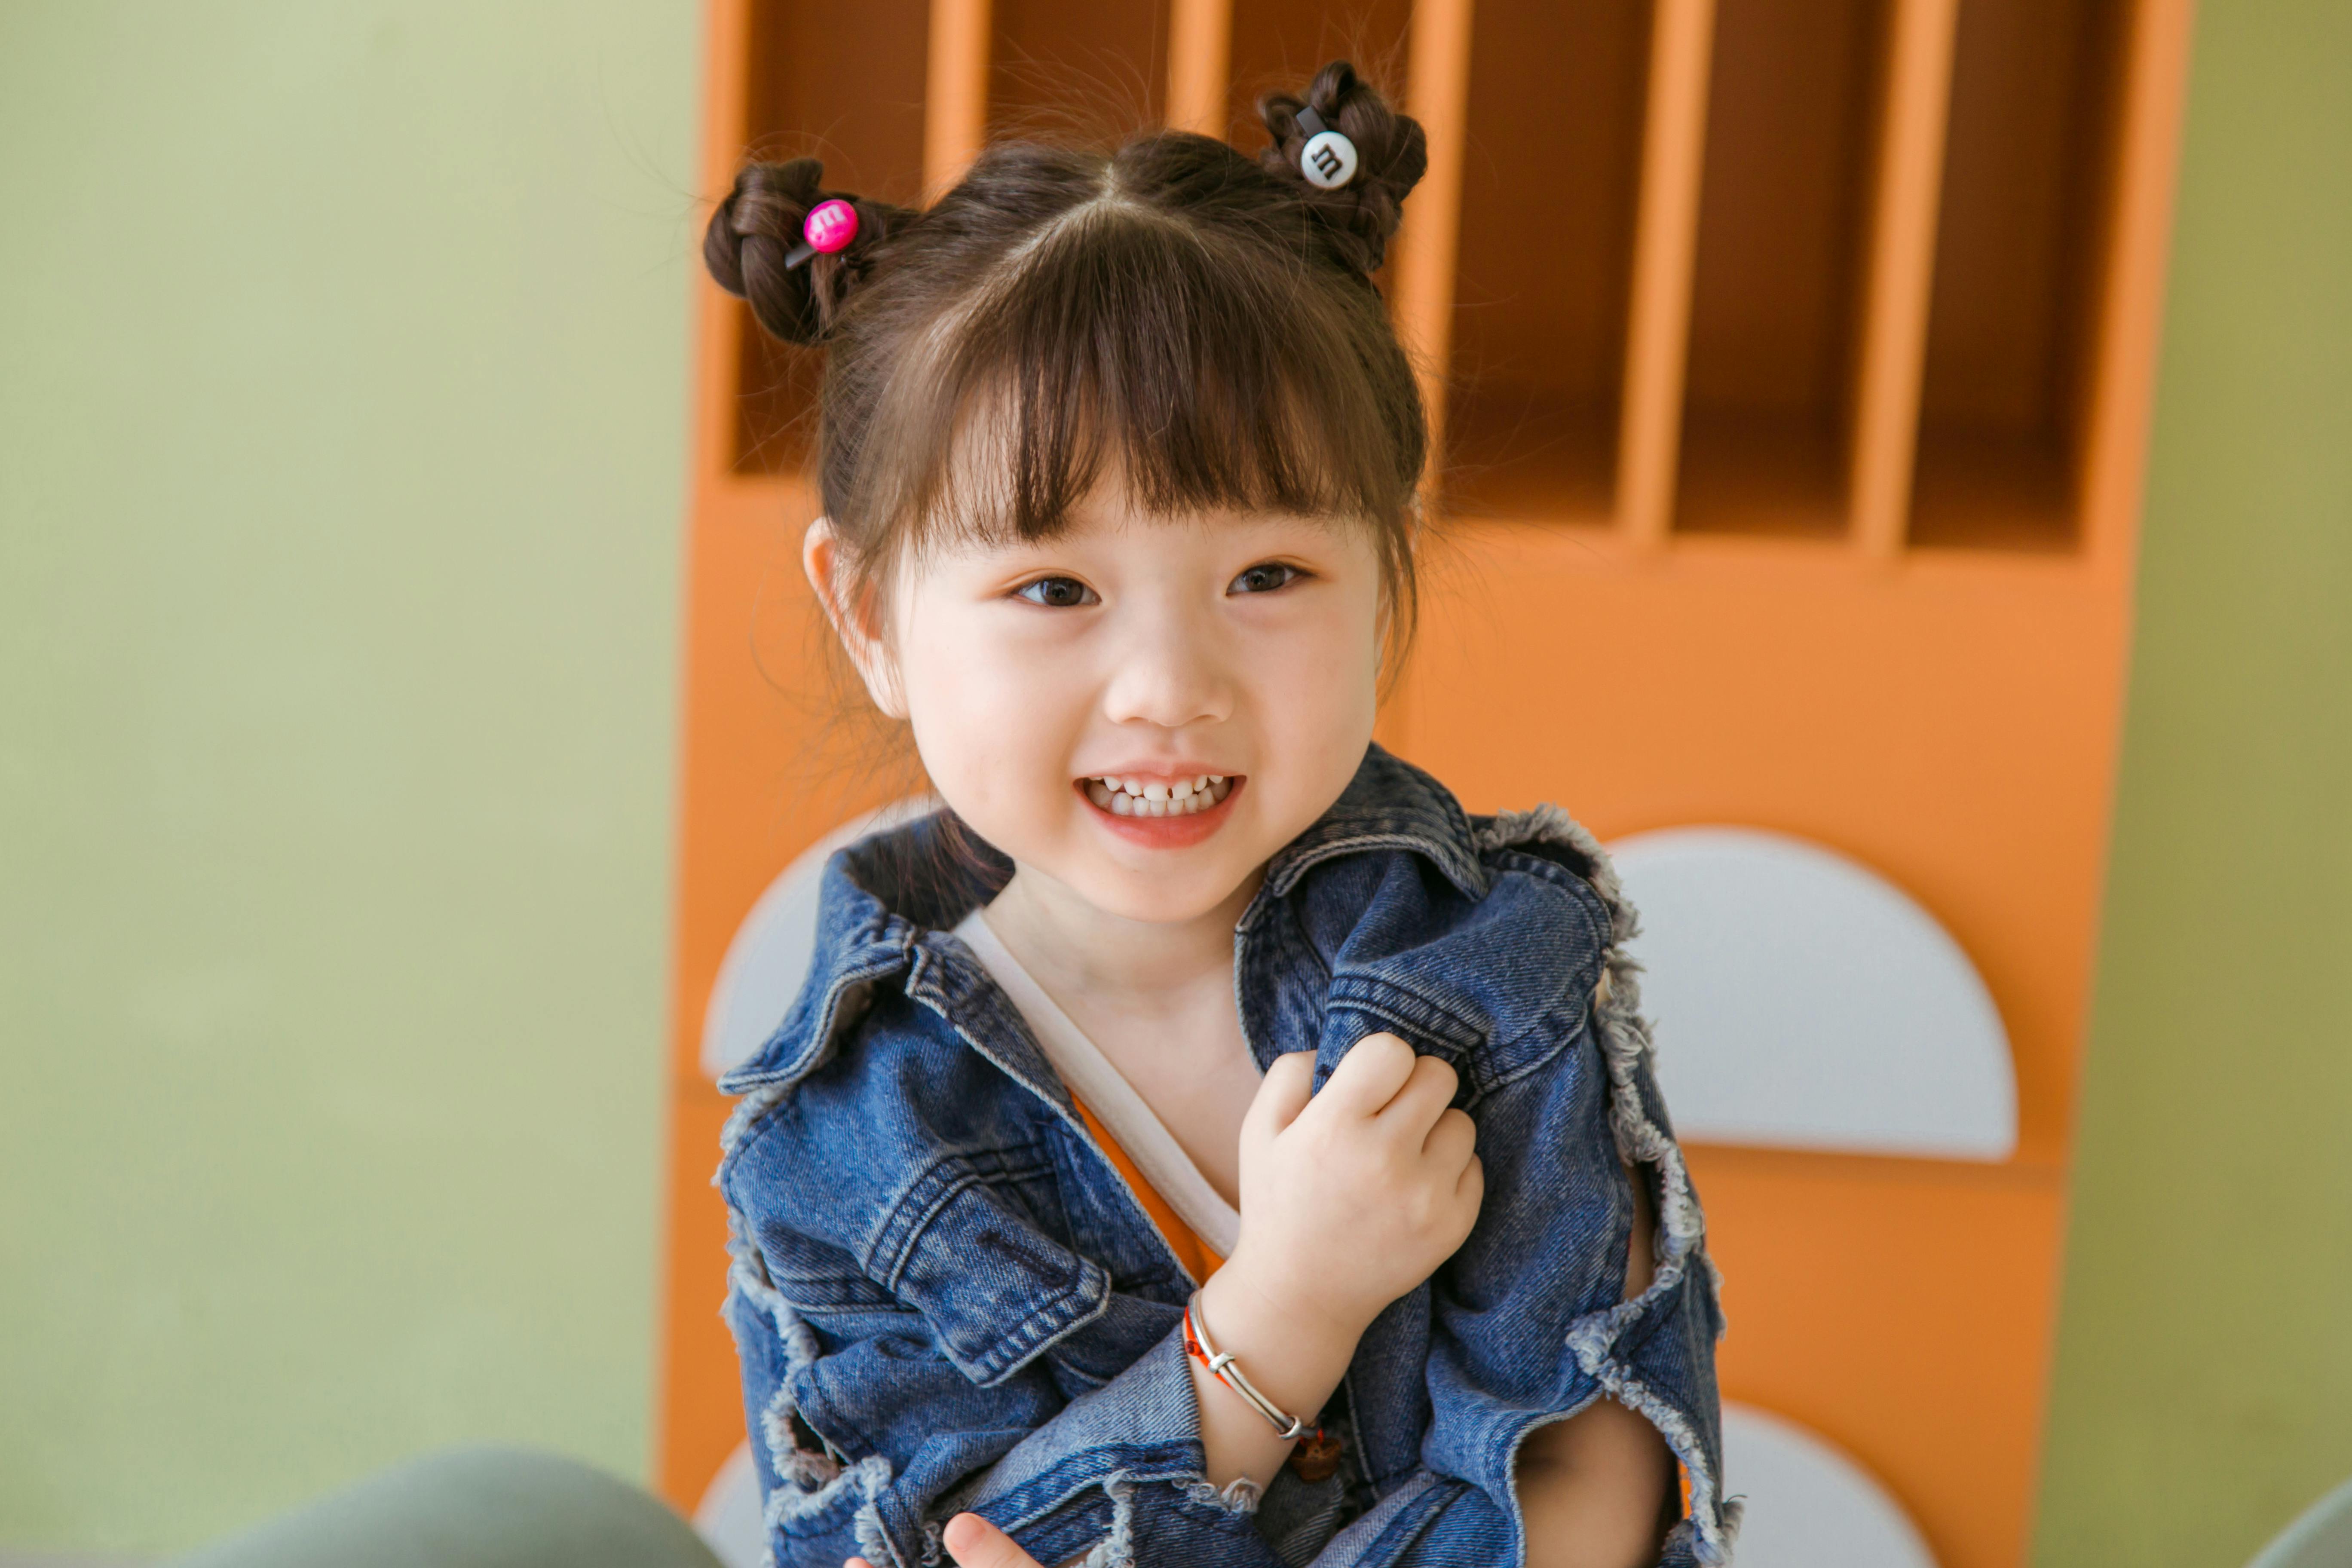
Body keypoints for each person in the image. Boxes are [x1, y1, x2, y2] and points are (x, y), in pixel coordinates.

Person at [701, 61, 1730, 1568]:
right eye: (1054, 590)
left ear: (1387, 572)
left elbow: (1588, 1478)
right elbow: (931, 1545)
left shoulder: (1492, 973)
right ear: (870, 616)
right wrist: (1286, 1313)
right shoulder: (840, 1131)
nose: (1168, 691)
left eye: (1265, 578)